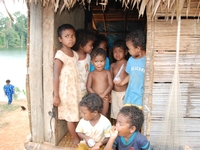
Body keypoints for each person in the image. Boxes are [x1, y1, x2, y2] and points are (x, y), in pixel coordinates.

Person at [53, 24, 82, 147]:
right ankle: (75, 139)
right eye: (66, 36)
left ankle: (79, 135)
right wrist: (56, 95)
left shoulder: (75, 54)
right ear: (60, 39)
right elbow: (55, 76)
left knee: (77, 114)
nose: (71, 39)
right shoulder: (59, 55)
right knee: (70, 117)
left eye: (73, 36)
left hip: (75, 90)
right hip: (65, 92)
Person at [114, 29, 146, 109]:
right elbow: (130, 75)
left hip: (140, 98)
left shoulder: (147, 60)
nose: (128, 51)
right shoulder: (131, 60)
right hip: (129, 96)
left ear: (138, 48)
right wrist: (121, 84)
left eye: (129, 48)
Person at [86, 48, 113, 116]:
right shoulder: (91, 74)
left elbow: (110, 85)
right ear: (92, 62)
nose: (99, 64)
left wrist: (104, 94)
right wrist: (97, 96)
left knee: (103, 115)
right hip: (94, 98)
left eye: (101, 61)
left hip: (105, 98)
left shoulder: (107, 73)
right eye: (96, 61)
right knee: (95, 115)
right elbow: (88, 87)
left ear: (105, 61)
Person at [73, 29, 96, 96]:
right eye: (90, 45)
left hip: (86, 89)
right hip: (76, 89)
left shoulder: (89, 56)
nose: (92, 47)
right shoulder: (74, 56)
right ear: (81, 46)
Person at [110, 39, 128, 123]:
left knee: (124, 113)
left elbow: (130, 80)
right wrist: (109, 93)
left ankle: (123, 129)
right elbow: (110, 81)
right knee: (115, 113)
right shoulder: (112, 65)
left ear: (126, 52)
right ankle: (116, 129)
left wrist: (128, 93)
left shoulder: (128, 64)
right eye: (115, 51)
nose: (117, 54)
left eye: (120, 51)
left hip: (123, 93)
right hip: (114, 93)